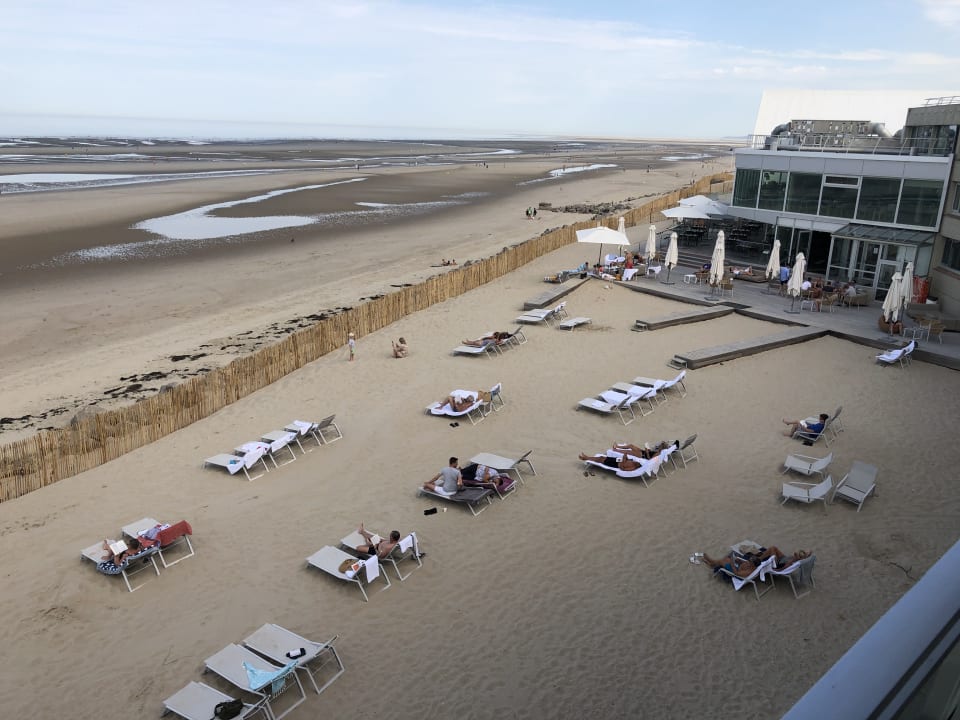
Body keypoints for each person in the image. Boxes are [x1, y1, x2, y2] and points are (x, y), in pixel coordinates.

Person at [702, 547, 811, 577]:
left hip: (736, 569)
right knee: (773, 548)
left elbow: (737, 573)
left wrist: (732, 563)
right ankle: (712, 562)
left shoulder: (791, 563)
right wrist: (739, 561)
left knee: (724, 560)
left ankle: (712, 562)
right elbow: (746, 564)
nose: (797, 553)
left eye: (800, 555)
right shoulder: (752, 567)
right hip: (741, 566)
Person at [578, 451, 643, 472]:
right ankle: (587, 457)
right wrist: (625, 456)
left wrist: (623, 460)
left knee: (600, 460)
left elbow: (622, 468)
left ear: (638, 466)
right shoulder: (634, 462)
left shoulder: (633, 468)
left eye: (637, 463)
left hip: (615, 464)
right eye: (637, 462)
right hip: (617, 459)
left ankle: (585, 458)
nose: (636, 462)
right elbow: (627, 459)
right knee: (601, 457)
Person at [611, 440, 679, 460]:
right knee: (631, 445)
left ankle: (615, 450)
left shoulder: (658, 453)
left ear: (662, 448)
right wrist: (648, 449)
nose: (659, 446)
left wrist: (647, 452)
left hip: (643, 456)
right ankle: (617, 446)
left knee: (629, 452)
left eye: (661, 446)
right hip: (644, 452)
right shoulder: (659, 451)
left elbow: (650, 459)